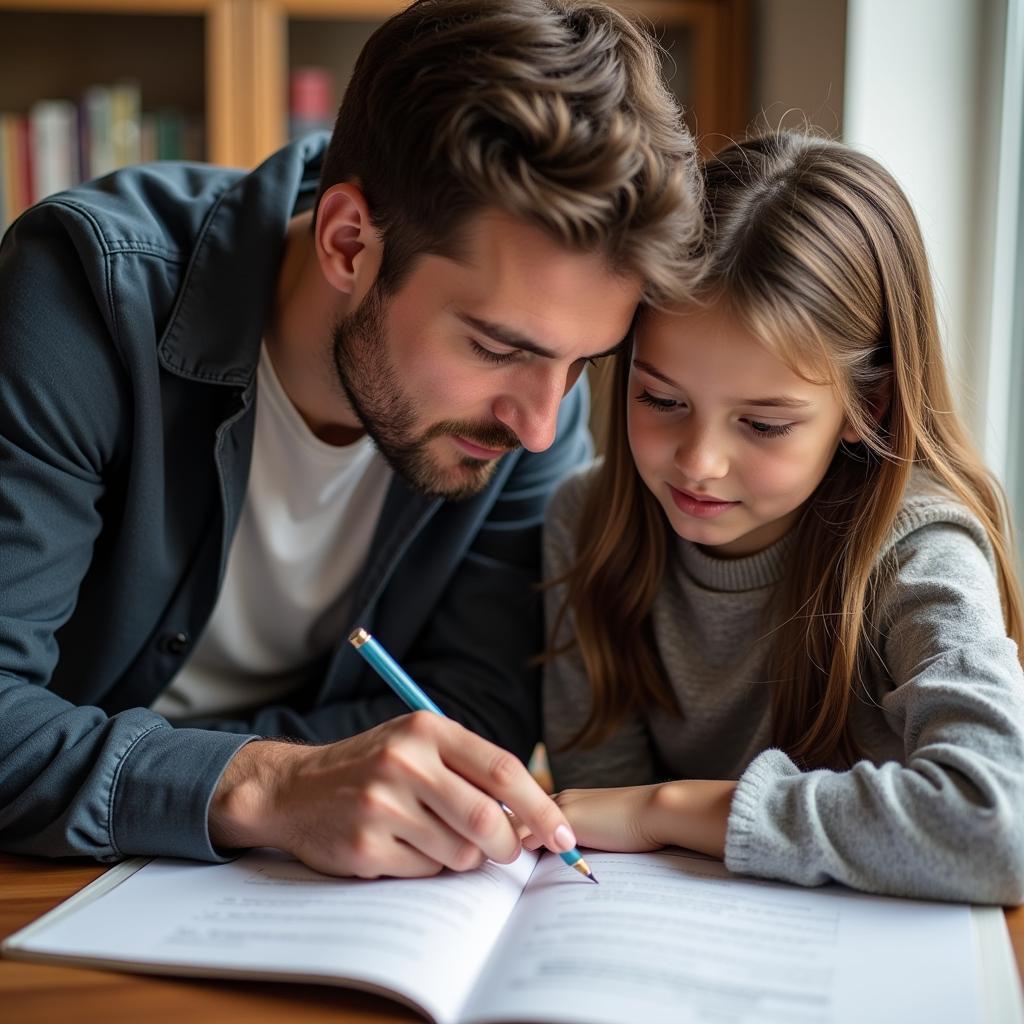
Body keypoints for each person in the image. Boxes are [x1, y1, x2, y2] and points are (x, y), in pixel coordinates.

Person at [0, 0, 704, 878]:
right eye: (495, 347)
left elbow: (478, 709)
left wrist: (250, 782)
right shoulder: (87, 299)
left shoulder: (533, 408)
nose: (537, 424)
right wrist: (267, 785)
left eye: (582, 365)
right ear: (347, 242)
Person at [539, 131, 1024, 904]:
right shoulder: (586, 518)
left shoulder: (918, 551)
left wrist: (674, 808)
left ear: (867, 407)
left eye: (763, 425)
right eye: (660, 400)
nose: (698, 462)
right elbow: (600, 816)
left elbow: (998, 824)